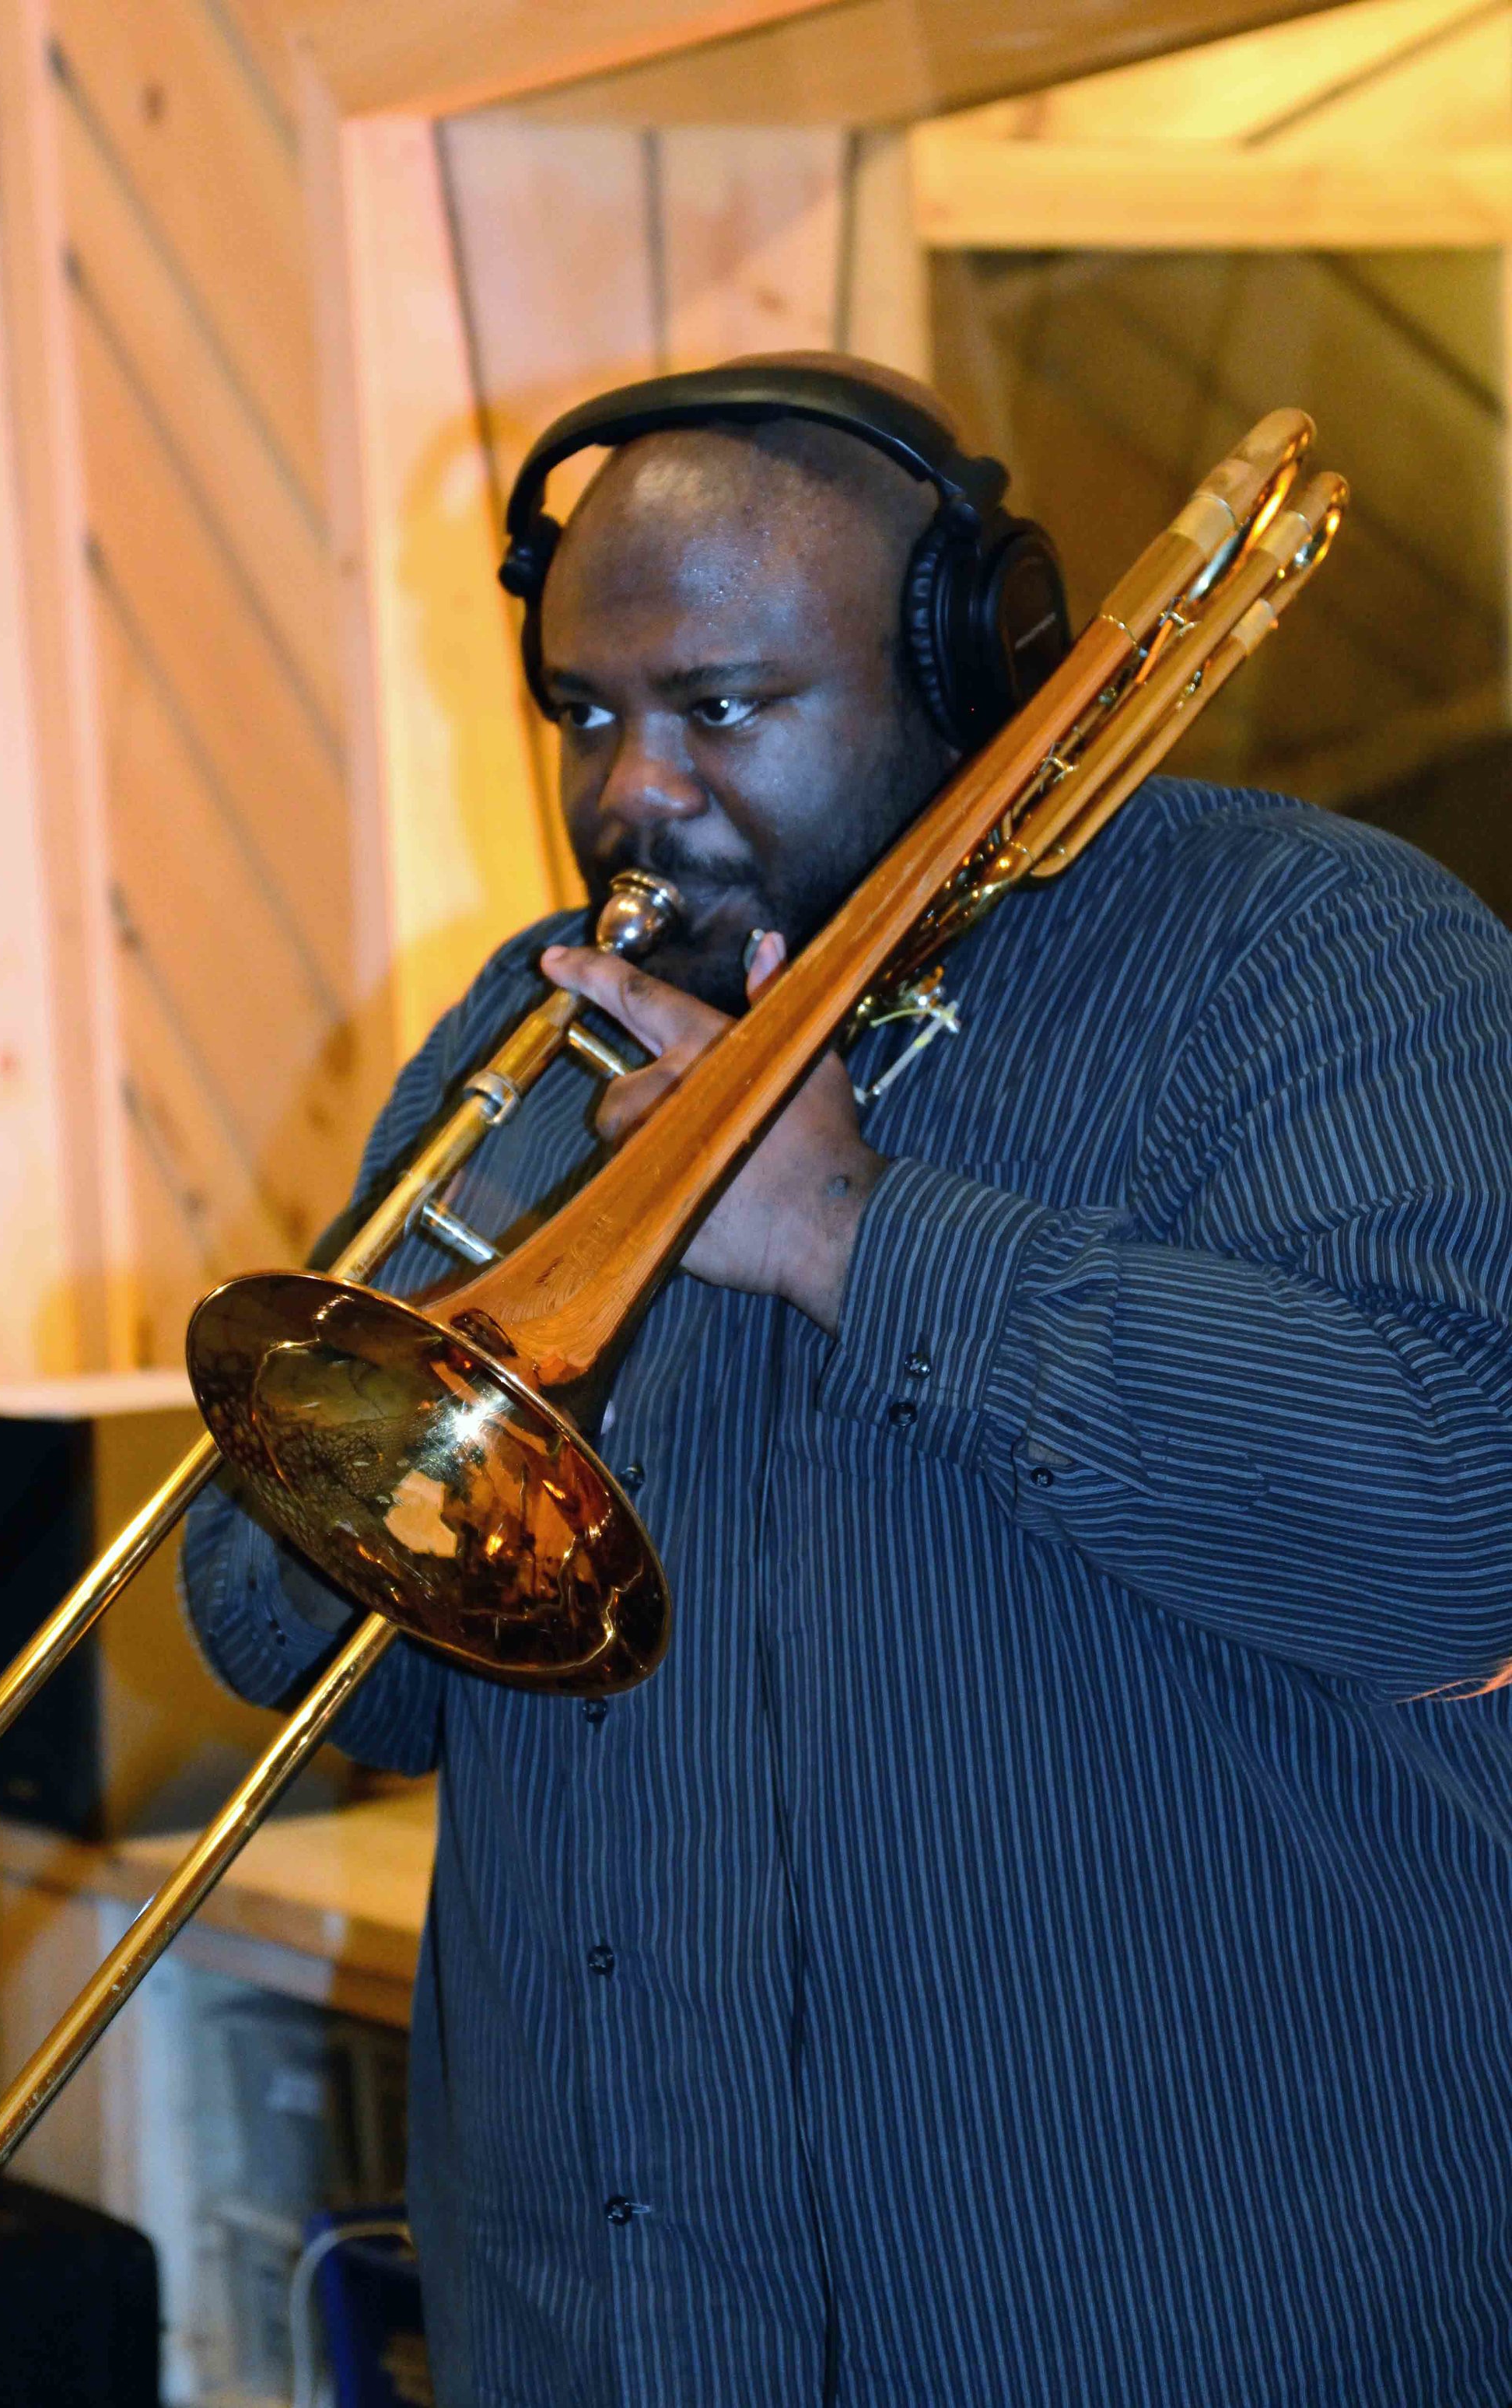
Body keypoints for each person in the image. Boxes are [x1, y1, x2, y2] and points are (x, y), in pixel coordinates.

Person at [180, 352, 1512, 2406]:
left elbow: (1453, 1521)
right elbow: (285, 1638)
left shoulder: (1305, 950)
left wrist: (847, 1233)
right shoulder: (531, 1034)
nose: (632, 788)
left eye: (718, 707)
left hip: (1180, 2324)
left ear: (966, 668)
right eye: (584, 712)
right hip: (621, 2331)